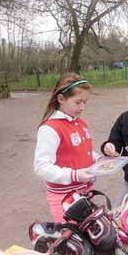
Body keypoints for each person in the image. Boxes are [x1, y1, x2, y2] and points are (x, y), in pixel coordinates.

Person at [33, 73, 98, 222]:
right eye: (78, 102)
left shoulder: (80, 123)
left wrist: (100, 159)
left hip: (86, 193)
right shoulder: (50, 129)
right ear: (61, 99)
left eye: (85, 102)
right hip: (64, 200)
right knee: (72, 242)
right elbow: (41, 167)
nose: (82, 107)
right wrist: (74, 175)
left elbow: (80, 151)